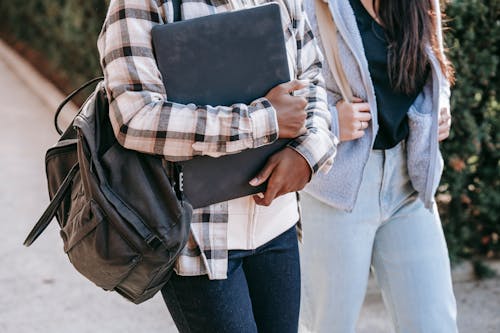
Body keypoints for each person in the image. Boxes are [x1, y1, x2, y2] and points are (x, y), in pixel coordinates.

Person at [97, 0, 337, 332]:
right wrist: (261, 121)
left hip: (277, 225)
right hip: (199, 237)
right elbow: (134, 117)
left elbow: (311, 77)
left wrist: (309, 153)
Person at [299, 0, 457, 332]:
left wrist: (440, 109)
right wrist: (328, 119)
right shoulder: (313, 6)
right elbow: (286, 83)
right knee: (331, 324)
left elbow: (434, 70)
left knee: (434, 323)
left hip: (409, 185)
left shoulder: (417, 3)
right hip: (338, 189)